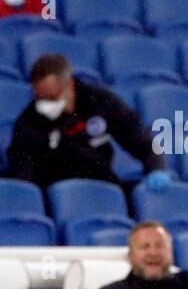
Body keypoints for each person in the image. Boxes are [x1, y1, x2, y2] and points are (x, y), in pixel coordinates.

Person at [6, 54, 169, 191]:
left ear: (69, 85)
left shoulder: (99, 101)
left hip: (102, 183)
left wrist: (156, 166)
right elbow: (23, 171)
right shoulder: (28, 123)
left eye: (52, 98)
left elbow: (136, 134)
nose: (45, 104)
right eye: (40, 98)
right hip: (57, 193)